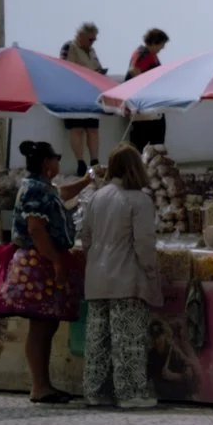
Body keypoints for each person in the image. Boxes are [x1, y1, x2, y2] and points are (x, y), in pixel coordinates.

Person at [74, 145, 163, 409]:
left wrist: (93, 263)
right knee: (128, 340)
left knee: (98, 341)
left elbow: (86, 238)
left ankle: (95, 391)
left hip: (97, 278)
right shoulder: (139, 200)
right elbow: (144, 243)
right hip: (126, 278)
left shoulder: (96, 197)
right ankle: (130, 392)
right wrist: (151, 271)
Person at [0, 139, 82, 404]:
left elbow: (60, 195)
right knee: (41, 325)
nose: (59, 161)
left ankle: (44, 384)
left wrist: (88, 180)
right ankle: (39, 385)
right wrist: (56, 260)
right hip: (40, 263)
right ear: (48, 163)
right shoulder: (35, 190)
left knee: (48, 324)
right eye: (56, 157)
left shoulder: (42, 187)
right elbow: (36, 229)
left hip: (44, 260)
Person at [56, 22, 107, 171]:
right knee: (76, 129)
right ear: (81, 36)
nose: (93, 42)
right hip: (73, 95)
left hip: (91, 95)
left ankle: (94, 161)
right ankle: (80, 162)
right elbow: (63, 68)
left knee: (93, 129)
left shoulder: (92, 51)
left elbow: (96, 67)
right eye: (91, 39)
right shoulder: (69, 47)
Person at [124, 28, 169, 151]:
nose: (162, 48)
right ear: (155, 42)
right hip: (143, 105)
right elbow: (134, 71)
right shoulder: (143, 54)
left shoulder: (151, 55)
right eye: (162, 44)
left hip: (150, 105)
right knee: (142, 140)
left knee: (155, 139)